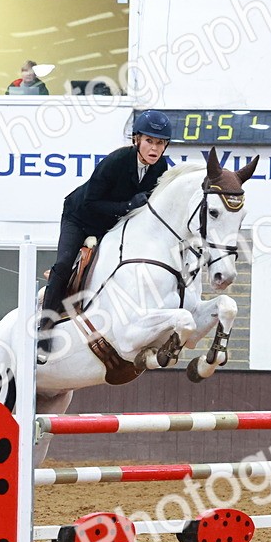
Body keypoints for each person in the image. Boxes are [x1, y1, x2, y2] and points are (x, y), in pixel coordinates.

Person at [37, 109, 173, 360]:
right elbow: (91, 202)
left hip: (113, 223)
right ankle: (44, 331)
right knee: (65, 263)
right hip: (80, 216)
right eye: (150, 141)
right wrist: (128, 206)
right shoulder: (116, 161)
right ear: (137, 140)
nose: (155, 148)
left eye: (160, 143)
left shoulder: (161, 167)